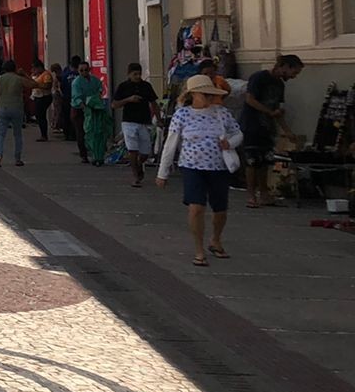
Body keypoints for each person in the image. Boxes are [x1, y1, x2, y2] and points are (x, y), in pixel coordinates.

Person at [157, 75, 244, 267]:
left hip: (218, 167)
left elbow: (238, 133)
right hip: (191, 167)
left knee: (219, 209)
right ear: (194, 94)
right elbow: (171, 144)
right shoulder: (182, 115)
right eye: (205, 94)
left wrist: (229, 143)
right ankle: (199, 249)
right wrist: (163, 172)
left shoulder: (222, 113)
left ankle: (215, 239)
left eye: (210, 94)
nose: (209, 98)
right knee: (196, 208)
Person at [241, 54, 304, 208]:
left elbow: (278, 111)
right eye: (293, 72)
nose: (294, 77)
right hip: (252, 124)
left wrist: (287, 131)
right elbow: (250, 99)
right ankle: (251, 195)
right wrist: (268, 112)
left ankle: (264, 193)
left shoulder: (280, 85)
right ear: (285, 67)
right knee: (252, 161)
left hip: (268, 127)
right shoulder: (259, 77)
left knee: (265, 161)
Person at [111, 62, 160, 187]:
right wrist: (128, 99)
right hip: (129, 121)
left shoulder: (146, 86)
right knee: (133, 150)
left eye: (139, 74)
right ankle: (135, 176)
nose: (138, 76)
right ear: (129, 74)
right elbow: (114, 104)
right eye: (135, 74)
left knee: (145, 151)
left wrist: (158, 118)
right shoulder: (123, 87)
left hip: (144, 121)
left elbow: (154, 103)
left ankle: (139, 164)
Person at [0, 60, 28, 167]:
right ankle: (17, 158)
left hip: (2, 108)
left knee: (0, 134)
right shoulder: (19, 79)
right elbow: (34, 84)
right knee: (17, 134)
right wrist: (24, 74)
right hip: (17, 108)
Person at [70, 61, 103, 164]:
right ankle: (84, 155)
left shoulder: (94, 80)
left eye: (86, 70)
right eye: (81, 70)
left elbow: (99, 89)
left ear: (89, 70)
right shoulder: (76, 82)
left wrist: (97, 98)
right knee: (81, 132)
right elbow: (76, 97)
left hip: (92, 107)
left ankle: (96, 153)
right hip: (79, 109)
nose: (84, 72)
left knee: (94, 131)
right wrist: (84, 107)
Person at [30, 60, 54, 142]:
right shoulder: (37, 75)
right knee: (39, 115)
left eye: (35, 68)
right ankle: (43, 133)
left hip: (44, 97)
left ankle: (44, 135)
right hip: (38, 96)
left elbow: (47, 86)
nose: (34, 70)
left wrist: (36, 84)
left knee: (41, 115)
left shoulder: (46, 75)